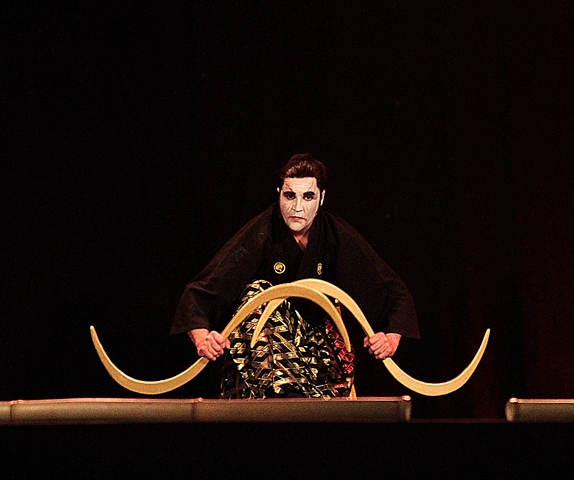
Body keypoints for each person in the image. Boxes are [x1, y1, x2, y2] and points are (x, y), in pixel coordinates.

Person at [170, 154, 419, 398]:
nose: (297, 207)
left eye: (308, 196)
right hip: (261, 356)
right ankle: (281, 399)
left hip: (317, 352)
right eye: (290, 195)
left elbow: (391, 291)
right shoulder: (261, 233)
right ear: (279, 193)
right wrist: (203, 338)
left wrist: (390, 338)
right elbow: (204, 291)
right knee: (257, 294)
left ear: (321, 198)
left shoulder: (335, 235)